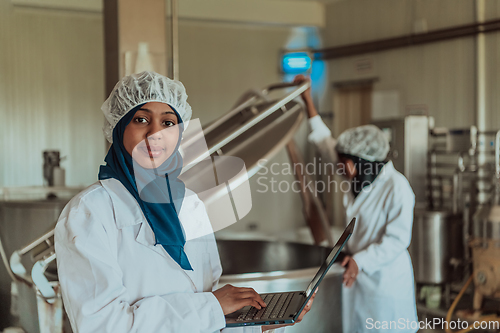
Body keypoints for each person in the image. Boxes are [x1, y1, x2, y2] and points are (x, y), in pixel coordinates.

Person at [55, 71, 315, 333]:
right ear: (119, 128)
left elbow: (210, 312)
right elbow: (104, 326)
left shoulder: (189, 205)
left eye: (168, 123)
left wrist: (258, 324)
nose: (156, 133)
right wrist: (212, 306)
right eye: (141, 119)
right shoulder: (89, 212)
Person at [294, 75, 417, 333]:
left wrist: (361, 260)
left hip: (385, 282)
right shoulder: (359, 174)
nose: (341, 168)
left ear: (361, 162)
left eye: (346, 163)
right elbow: (326, 144)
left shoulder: (397, 187)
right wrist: (308, 101)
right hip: (358, 278)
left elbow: (397, 240)